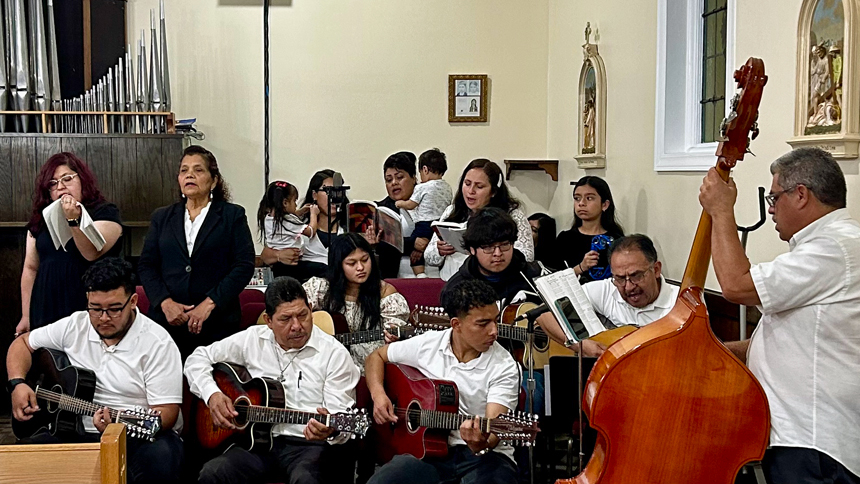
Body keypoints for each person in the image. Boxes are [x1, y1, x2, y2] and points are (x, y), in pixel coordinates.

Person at [699, 147, 860, 484]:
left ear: (800, 194)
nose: (770, 210)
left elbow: (734, 286)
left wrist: (721, 211)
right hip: (800, 438)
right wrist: (714, 355)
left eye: (773, 198)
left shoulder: (834, 247)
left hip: (814, 441)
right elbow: (792, 338)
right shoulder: (824, 246)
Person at [7, 258, 183, 483]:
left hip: (137, 434)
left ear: (133, 301)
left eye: (114, 309)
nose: (104, 318)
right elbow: (22, 344)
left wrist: (118, 426)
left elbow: (167, 412)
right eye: (96, 309)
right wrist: (17, 383)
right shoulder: (75, 325)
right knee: (21, 459)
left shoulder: (158, 342)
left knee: (161, 458)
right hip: (72, 430)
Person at [184, 276, 361, 484]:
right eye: (285, 319)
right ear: (268, 320)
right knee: (213, 473)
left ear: (311, 309)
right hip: (257, 445)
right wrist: (212, 394)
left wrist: (331, 430)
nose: (297, 326)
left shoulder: (334, 354)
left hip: (307, 447)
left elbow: (340, 421)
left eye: (303, 315)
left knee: (306, 480)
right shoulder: (252, 339)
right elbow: (197, 358)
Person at [365, 279, 520, 484]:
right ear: (456, 324)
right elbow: (375, 357)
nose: (494, 331)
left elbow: (493, 433)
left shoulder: (505, 366)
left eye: (495, 320)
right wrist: (379, 396)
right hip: (426, 451)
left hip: (483, 457)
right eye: (483, 323)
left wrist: (479, 442)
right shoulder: (429, 343)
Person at [138, 145, 255, 358]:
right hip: (167, 322)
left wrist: (209, 304)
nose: (189, 175)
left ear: (214, 180)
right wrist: (165, 303)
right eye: (184, 170)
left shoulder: (232, 216)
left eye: (198, 170)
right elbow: (147, 265)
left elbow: (243, 266)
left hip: (216, 322)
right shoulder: (162, 217)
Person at [17, 152, 124, 334]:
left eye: (67, 179)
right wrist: (26, 316)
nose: (61, 187)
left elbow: (91, 251)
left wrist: (73, 220)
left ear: (82, 180)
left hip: (88, 305)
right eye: (53, 183)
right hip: (46, 304)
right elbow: (30, 268)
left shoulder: (105, 212)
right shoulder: (39, 221)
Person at [538, 234, 678, 358]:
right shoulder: (606, 289)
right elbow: (543, 313)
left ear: (656, 269)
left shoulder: (682, 303)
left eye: (636, 276)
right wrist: (581, 345)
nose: (629, 287)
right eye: (620, 278)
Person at [302, 233, 409, 373]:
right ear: (338, 265)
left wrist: (394, 336)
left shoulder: (384, 293)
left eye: (365, 260)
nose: (360, 267)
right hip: (320, 365)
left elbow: (394, 339)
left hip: (369, 369)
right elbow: (288, 311)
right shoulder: (320, 288)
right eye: (351, 263)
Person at [424, 158, 534, 281]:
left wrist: (489, 251)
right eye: (467, 184)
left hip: (495, 285)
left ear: (493, 192)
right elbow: (428, 256)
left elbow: (527, 256)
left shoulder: (513, 215)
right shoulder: (452, 211)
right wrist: (440, 251)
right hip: (452, 283)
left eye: (479, 186)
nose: (471, 191)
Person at [445, 207, 546, 307]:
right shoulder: (456, 289)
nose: (498, 253)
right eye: (488, 247)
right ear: (472, 249)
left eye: (504, 244)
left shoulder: (538, 275)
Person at [261, 169, 347, 282]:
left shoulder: (349, 227)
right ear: (314, 195)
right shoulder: (296, 224)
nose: (334, 196)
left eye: (338, 191)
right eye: (327, 191)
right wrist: (280, 255)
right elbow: (265, 256)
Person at [395, 148, 453, 277]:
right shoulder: (447, 187)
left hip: (424, 224)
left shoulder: (422, 187)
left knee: (415, 250)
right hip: (441, 224)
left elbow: (411, 204)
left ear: (425, 169)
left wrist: (400, 204)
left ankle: (420, 274)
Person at [556, 176, 624, 282]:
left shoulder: (616, 239)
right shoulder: (565, 239)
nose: (581, 203)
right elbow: (553, 279)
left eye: (589, 198)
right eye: (577, 198)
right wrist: (581, 267)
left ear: (605, 205)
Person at [257, 180, 320, 279]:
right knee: (322, 269)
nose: (295, 205)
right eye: (294, 201)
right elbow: (311, 232)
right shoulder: (289, 221)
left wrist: (299, 212)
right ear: (285, 203)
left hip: (277, 266)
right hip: (291, 265)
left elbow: (286, 222)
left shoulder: (268, 218)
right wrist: (313, 214)